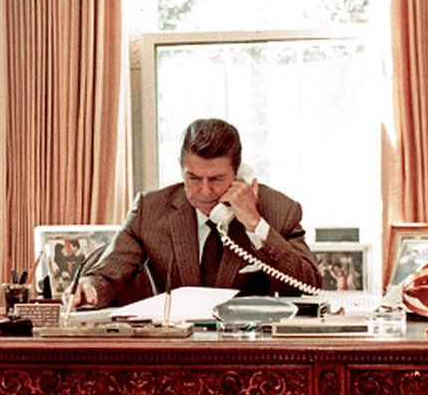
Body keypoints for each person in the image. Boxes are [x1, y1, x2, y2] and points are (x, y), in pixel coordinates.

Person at [72, 118, 321, 308]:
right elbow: (109, 274)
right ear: (182, 171)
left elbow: (309, 287)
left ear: (238, 174)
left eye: (216, 179)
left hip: (249, 352)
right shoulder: (150, 209)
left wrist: (254, 224)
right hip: (176, 352)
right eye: (193, 178)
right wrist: (90, 287)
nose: (204, 191)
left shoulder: (280, 210)